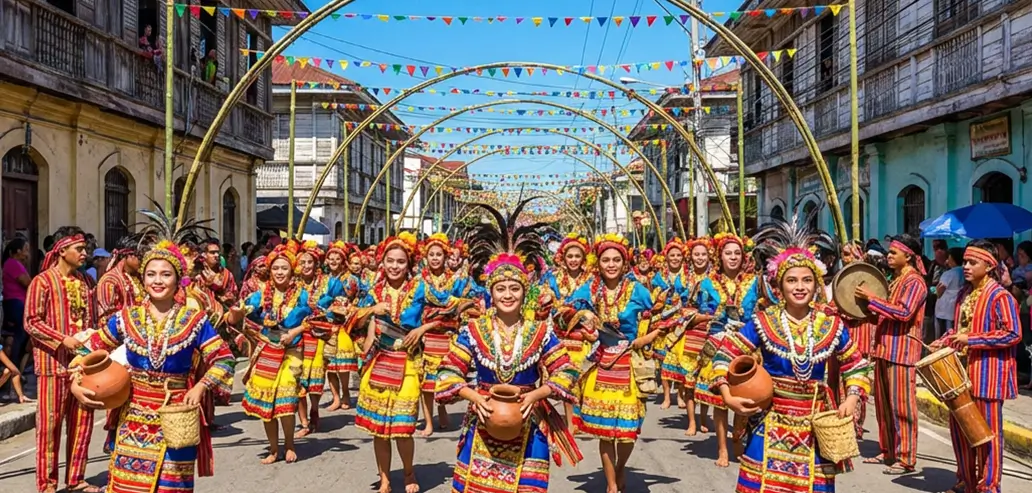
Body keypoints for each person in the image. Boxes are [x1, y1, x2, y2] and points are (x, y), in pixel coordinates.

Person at [73, 214, 235, 493]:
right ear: (143, 277)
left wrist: (200, 387)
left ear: (177, 279)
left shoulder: (194, 321)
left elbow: (224, 359)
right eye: (151, 274)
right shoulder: (127, 318)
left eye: (165, 274)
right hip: (133, 417)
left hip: (176, 415)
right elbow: (88, 349)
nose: (157, 281)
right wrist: (76, 383)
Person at [716, 217, 872, 493]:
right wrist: (729, 397)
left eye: (807, 280)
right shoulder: (763, 322)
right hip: (770, 420)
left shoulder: (830, 324)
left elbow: (856, 364)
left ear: (816, 285)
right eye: (792, 280)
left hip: (816, 424)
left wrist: (851, 397)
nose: (799, 287)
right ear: (779, 286)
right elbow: (723, 355)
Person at [435, 205, 581, 493]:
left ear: (525, 292)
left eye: (514, 289)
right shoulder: (475, 331)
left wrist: (537, 395)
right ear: (490, 293)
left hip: (530, 424)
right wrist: (473, 395)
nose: (507, 295)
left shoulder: (539, 331)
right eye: (500, 289)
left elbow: (566, 370)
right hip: (485, 420)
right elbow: (448, 371)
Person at [347, 232, 470, 493]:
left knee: (403, 427)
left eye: (400, 261)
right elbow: (351, 321)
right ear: (382, 262)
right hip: (378, 362)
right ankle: (384, 478)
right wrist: (372, 310)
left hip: (409, 362)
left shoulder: (420, 287)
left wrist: (423, 328)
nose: (394, 266)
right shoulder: (374, 291)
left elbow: (451, 308)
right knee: (379, 430)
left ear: (409, 263)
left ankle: (409, 472)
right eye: (390, 261)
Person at [565, 233, 658, 493]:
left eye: (616, 259)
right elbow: (567, 312)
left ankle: (620, 467)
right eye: (606, 260)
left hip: (629, 364)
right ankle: (612, 484)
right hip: (602, 362)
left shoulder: (638, 289)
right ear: (598, 262)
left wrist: (641, 340)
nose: (611, 264)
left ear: (624, 262)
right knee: (606, 431)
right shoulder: (590, 288)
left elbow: (660, 322)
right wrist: (585, 326)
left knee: (628, 432)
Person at [931, 239, 1021, 493]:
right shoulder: (964, 294)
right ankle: (966, 481)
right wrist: (944, 340)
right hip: (960, 375)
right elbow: (961, 330)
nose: (967, 267)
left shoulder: (1000, 297)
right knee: (961, 431)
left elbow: (1012, 333)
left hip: (988, 375)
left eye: (973, 262)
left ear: (989, 265)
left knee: (987, 434)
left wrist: (972, 339)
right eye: (965, 262)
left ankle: (988, 486)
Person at [230, 240, 328, 464]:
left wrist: (295, 331)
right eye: (275, 268)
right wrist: (235, 313)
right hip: (267, 349)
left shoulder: (303, 295)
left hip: (292, 350)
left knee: (285, 395)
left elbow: (320, 319)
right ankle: (274, 449)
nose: (280, 272)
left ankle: (290, 444)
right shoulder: (260, 295)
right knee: (266, 403)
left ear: (291, 270)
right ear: (270, 271)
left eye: (284, 268)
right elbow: (236, 316)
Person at [24, 226, 101, 493]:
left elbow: (94, 319)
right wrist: (63, 339)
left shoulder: (88, 282)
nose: (84, 253)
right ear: (61, 251)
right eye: (79, 249)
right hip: (51, 366)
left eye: (84, 248)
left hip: (83, 367)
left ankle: (76, 480)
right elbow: (31, 322)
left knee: (83, 425)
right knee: (49, 429)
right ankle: (46, 485)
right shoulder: (41, 282)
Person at [855, 233, 927, 475]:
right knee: (884, 406)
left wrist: (872, 300)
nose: (889, 255)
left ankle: (906, 458)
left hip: (903, 352)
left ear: (908, 256)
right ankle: (888, 451)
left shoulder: (915, 282)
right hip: (885, 349)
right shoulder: (894, 280)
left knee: (902, 407)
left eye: (893, 252)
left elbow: (904, 313)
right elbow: (886, 313)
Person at [695, 232, 760, 467]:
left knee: (748, 395)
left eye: (737, 253)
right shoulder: (707, 283)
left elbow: (763, 308)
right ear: (719, 257)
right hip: (719, 341)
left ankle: (738, 441)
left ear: (743, 257)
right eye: (727, 253)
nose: (732, 257)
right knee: (720, 401)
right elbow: (701, 312)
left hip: (748, 343)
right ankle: (722, 449)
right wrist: (716, 316)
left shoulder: (755, 281)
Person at [541, 232, 593, 433]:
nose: (573, 260)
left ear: (583, 258)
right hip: (561, 337)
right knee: (567, 379)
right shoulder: (552, 279)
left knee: (583, 380)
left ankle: (583, 419)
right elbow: (542, 303)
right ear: (562, 257)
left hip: (585, 338)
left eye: (577, 256)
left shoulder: (591, 280)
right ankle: (571, 422)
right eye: (569, 256)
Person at [295, 240, 342, 437]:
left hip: (319, 336)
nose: (306, 266)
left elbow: (342, 304)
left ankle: (314, 411)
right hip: (297, 336)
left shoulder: (329, 283)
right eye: (302, 262)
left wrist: (327, 311)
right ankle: (304, 422)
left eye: (309, 262)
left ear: (316, 264)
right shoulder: (292, 284)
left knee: (315, 378)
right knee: (297, 378)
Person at [94, 236, 145, 326]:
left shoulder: (139, 277)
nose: (143, 260)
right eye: (140, 256)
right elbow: (107, 317)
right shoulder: (109, 281)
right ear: (126, 255)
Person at [2, 238, 33, 377]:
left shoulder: (12, 264)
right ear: (17, 251)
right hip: (16, 304)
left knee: (16, 336)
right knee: (20, 335)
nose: (27, 253)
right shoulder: (13, 264)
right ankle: (14, 366)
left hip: (14, 303)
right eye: (25, 249)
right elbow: (27, 282)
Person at [934, 248, 965, 339]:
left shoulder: (948, 273)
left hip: (944, 309)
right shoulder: (964, 272)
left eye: (949, 258)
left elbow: (940, 290)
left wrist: (936, 292)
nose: (947, 260)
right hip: (956, 307)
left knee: (942, 335)